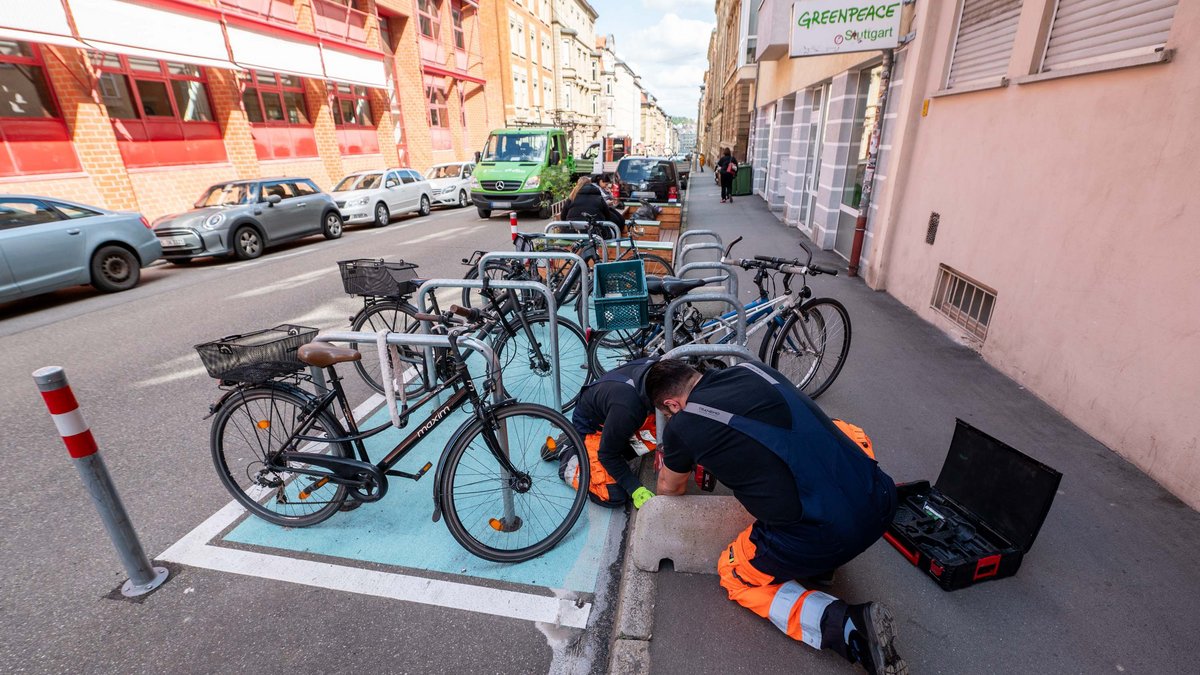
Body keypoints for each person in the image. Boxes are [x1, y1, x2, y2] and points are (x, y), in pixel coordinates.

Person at [644, 359, 906, 675]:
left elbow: (669, 488)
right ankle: (822, 567)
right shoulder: (751, 369)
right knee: (838, 430)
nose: (672, 418)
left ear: (672, 404)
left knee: (734, 573)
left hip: (828, 533)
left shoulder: (683, 427)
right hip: (880, 496)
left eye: (670, 413)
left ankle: (848, 628)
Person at [549, 357, 659, 508]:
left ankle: (591, 446)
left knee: (656, 432)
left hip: (613, 416)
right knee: (613, 494)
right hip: (592, 428)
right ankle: (568, 457)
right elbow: (607, 454)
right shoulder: (628, 408)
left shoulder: (659, 371)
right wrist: (635, 489)